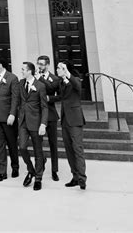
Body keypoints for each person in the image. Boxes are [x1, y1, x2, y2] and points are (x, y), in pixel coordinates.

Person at [17, 61, 48, 191]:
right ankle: (31, 170)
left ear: (30, 71)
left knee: (37, 151)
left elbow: (44, 107)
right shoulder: (21, 83)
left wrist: (43, 124)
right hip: (23, 121)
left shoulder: (40, 86)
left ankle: (38, 178)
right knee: (22, 147)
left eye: (23, 69)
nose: (22, 71)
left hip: (36, 122)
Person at [56, 60, 87, 190]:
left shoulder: (76, 80)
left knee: (77, 149)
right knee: (69, 150)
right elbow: (60, 97)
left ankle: (82, 178)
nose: (57, 70)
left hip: (75, 120)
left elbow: (78, 87)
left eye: (59, 68)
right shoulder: (61, 83)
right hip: (65, 121)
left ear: (65, 70)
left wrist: (67, 73)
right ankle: (74, 176)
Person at [36, 54, 60, 180]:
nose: (39, 66)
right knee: (38, 142)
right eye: (38, 63)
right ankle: (42, 161)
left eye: (42, 64)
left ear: (47, 65)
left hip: (50, 114)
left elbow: (53, 90)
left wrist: (49, 98)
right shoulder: (34, 77)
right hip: (38, 115)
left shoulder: (54, 78)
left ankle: (54, 170)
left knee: (53, 143)